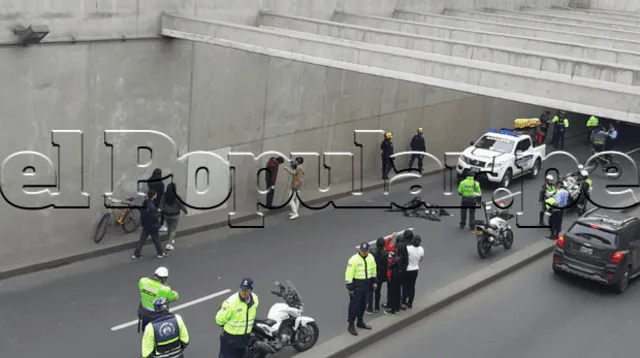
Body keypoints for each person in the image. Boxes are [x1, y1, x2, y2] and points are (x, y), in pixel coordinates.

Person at [216, 278, 259, 358]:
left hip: (244, 339)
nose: (243, 292)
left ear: (251, 291)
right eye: (242, 289)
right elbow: (219, 321)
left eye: (246, 290)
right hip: (230, 340)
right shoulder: (231, 303)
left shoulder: (255, 299)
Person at [345, 242, 376, 336]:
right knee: (354, 306)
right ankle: (351, 325)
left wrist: (374, 281)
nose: (364, 253)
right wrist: (350, 287)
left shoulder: (371, 257)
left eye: (365, 251)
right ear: (359, 250)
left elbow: (374, 269)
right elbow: (348, 273)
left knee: (363, 304)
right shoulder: (353, 259)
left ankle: (360, 321)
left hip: (367, 284)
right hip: (357, 285)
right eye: (362, 251)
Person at [137, 267, 180, 331]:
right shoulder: (164, 289)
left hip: (143, 312)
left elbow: (141, 286)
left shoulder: (143, 281)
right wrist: (167, 287)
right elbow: (176, 296)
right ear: (164, 279)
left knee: (147, 330)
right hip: (156, 315)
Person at [133, 189, 167, 259]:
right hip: (153, 225)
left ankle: (136, 254)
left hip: (146, 225)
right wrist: (159, 212)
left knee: (142, 240)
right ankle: (160, 253)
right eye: (156, 194)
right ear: (154, 195)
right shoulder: (152, 206)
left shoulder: (145, 202)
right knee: (157, 240)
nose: (156, 195)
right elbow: (154, 217)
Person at [161, 183, 188, 251]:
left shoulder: (164, 196)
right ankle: (169, 244)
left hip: (166, 214)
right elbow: (181, 205)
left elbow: (161, 205)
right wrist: (185, 211)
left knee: (169, 227)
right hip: (175, 215)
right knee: (173, 229)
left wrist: (164, 210)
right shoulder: (177, 197)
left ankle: (170, 239)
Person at [366, 238, 388, 314]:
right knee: (378, 291)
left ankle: (369, 308)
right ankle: (377, 307)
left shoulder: (372, 252)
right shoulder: (386, 253)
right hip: (381, 274)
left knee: (370, 290)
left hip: (373, 274)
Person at [385, 242, 408, 316]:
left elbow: (389, 266)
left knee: (393, 293)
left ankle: (392, 310)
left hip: (395, 277)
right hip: (402, 276)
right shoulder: (405, 257)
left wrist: (390, 259)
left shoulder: (397, 259)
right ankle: (397, 307)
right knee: (398, 292)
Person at [403, 235, 424, 309]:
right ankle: (410, 303)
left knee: (405, 286)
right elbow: (421, 260)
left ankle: (403, 301)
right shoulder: (421, 249)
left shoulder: (408, 249)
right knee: (412, 286)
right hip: (415, 269)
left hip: (408, 269)